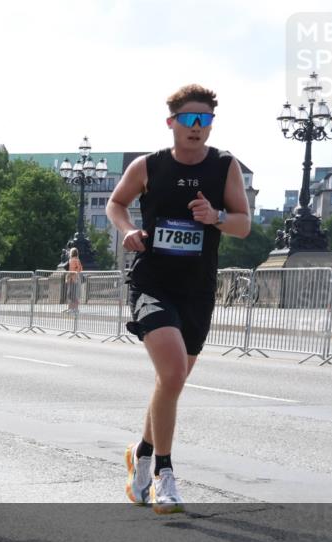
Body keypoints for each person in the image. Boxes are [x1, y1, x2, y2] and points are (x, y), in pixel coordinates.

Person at [106, 84, 250, 514]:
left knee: (172, 381)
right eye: (188, 119)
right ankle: (164, 476)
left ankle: (142, 452)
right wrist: (126, 230)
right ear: (171, 123)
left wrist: (217, 217)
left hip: (197, 289)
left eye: (204, 120)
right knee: (171, 373)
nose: (196, 127)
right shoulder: (148, 166)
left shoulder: (225, 167)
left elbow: (243, 224)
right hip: (152, 281)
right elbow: (116, 204)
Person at [65, 247, 83, 313]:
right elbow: (80, 269)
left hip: (72, 279)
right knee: (74, 294)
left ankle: (71, 309)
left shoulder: (71, 260)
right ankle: (74, 308)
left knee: (70, 294)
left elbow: (71, 270)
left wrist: (71, 275)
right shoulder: (77, 260)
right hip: (75, 278)